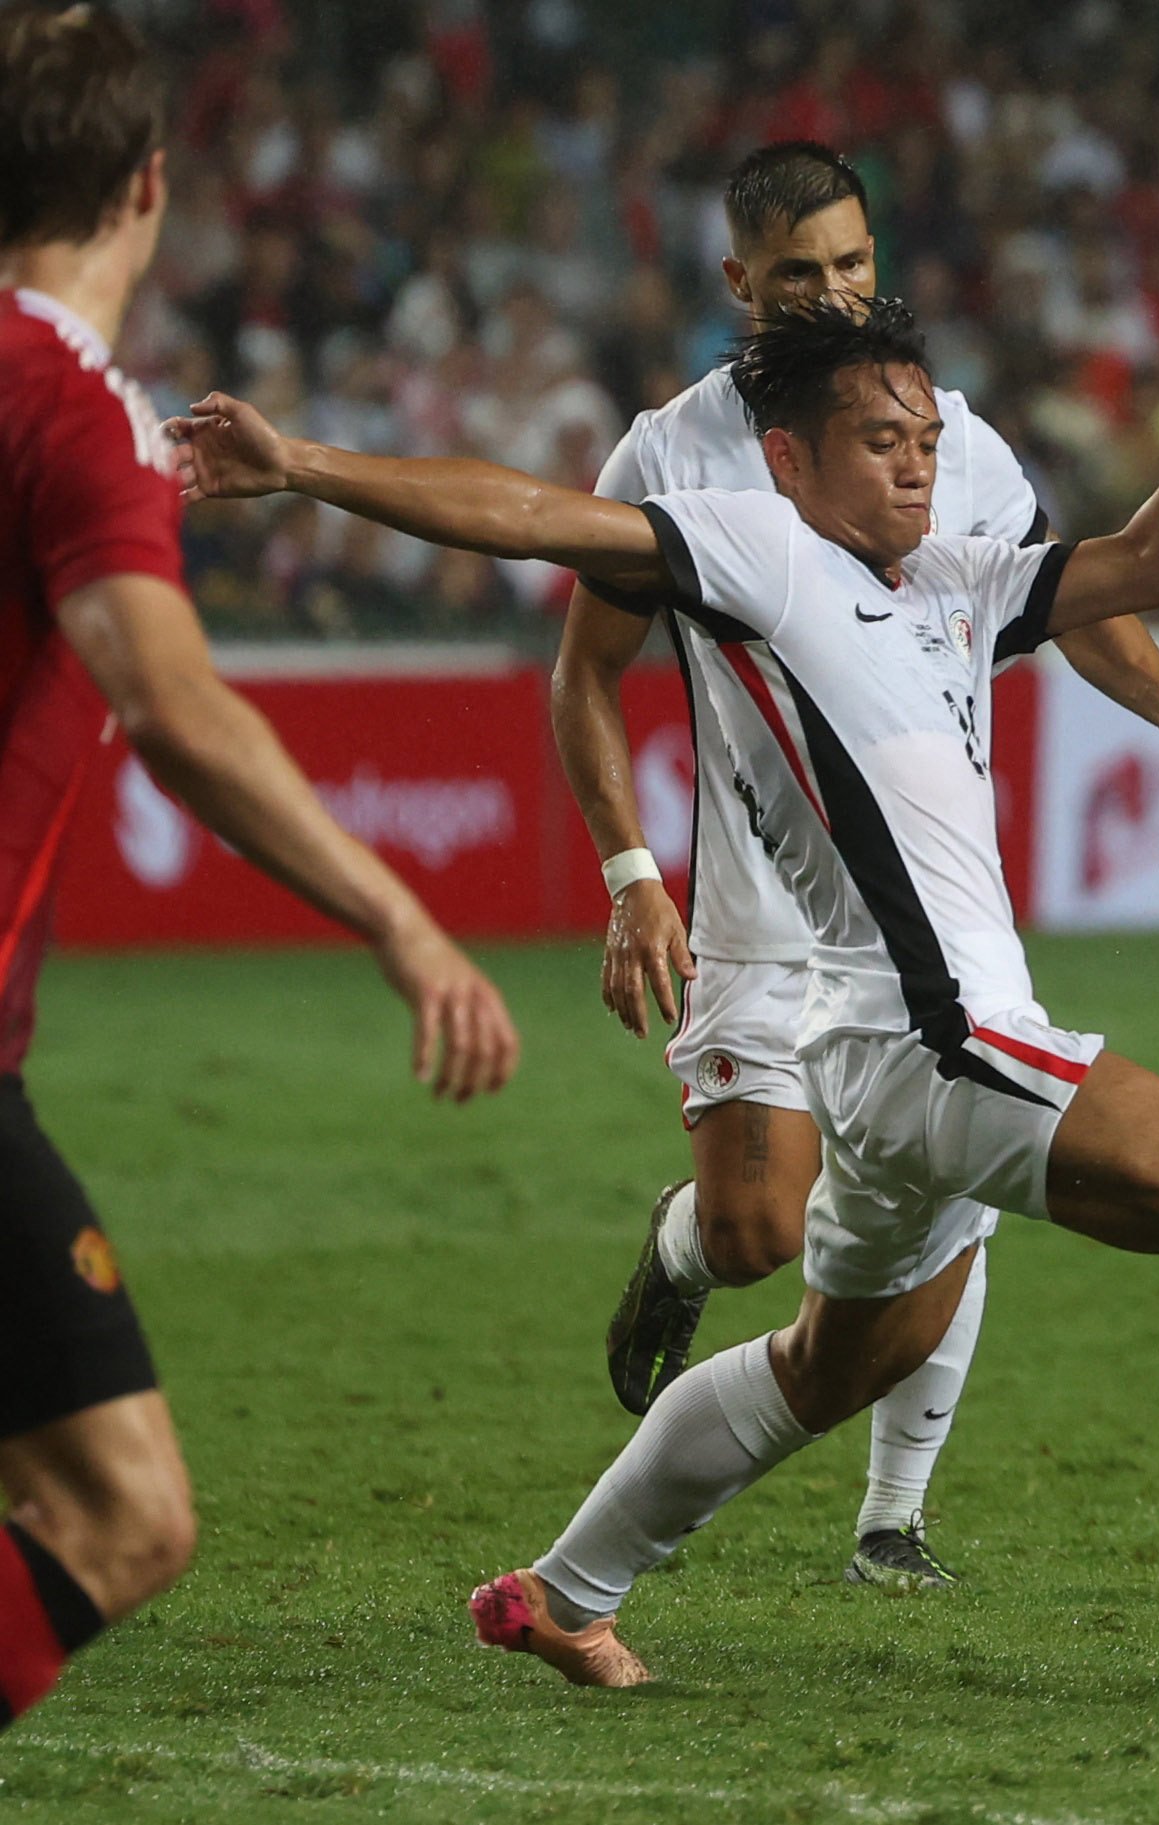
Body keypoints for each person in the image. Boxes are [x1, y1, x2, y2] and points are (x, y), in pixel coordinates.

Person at [169, 299, 1159, 1690]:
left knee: (827, 1364)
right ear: (791, 462)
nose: (916, 460)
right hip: (934, 1033)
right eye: (878, 440)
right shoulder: (759, 548)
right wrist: (302, 465)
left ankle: (558, 1591)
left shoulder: (960, 577)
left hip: (896, 1040)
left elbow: (1153, 560)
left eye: (923, 435)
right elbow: (533, 518)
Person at [554, 141, 1159, 1593]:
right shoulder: (671, 449)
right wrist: (631, 865)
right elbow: (585, 670)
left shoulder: (946, 433)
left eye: (854, 267)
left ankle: (895, 1512)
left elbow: (1072, 595)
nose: (831, 295)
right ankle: (685, 1244)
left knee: (952, 1151)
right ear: (737, 284)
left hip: (919, 900)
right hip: (760, 913)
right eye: (798, 276)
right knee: (762, 1226)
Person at [0, 2, 519, 1732]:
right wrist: (399, 915)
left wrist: (133, 488)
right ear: (149, 185)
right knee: (122, 1513)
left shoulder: (79, 428)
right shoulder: (67, 407)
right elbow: (176, 703)